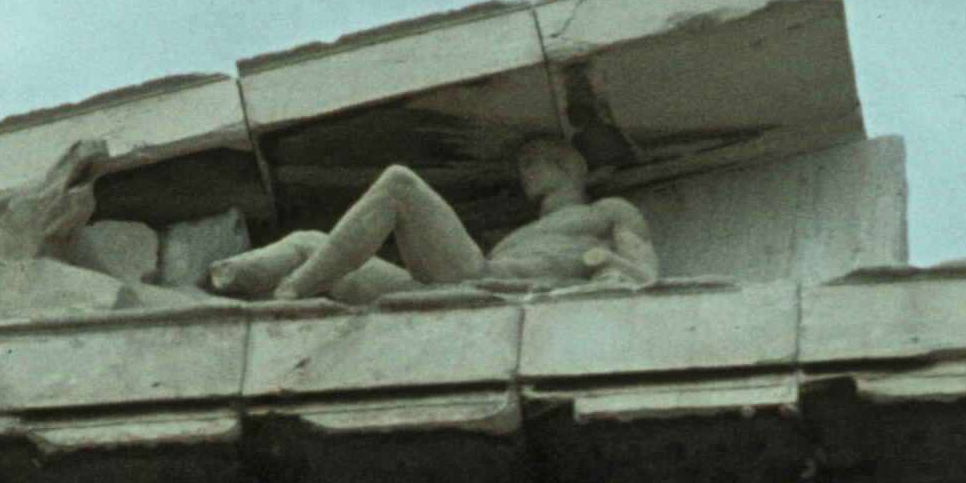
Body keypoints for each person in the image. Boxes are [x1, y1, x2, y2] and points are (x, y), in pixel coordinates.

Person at [206, 135, 658, 303]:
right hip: (449, 284)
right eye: (522, 163)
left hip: (479, 280)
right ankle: (221, 283)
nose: (525, 171)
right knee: (309, 240)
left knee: (399, 183)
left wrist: (610, 266)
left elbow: (647, 276)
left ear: (574, 165)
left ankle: (292, 290)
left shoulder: (608, 211)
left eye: (533, 160)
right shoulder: (518, 235)